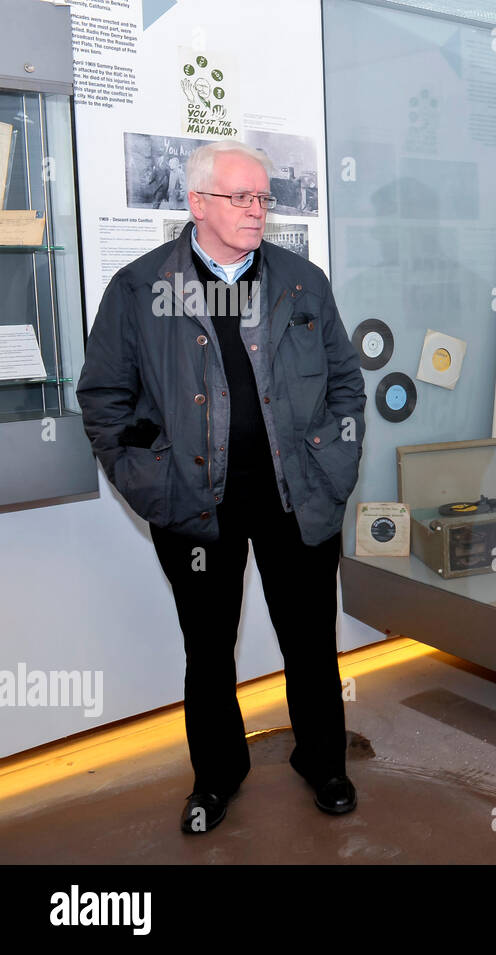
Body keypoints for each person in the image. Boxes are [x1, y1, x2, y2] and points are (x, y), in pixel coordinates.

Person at [77, 140, 366, 834]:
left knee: (310, 640)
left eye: (264, 197)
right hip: (196, 509)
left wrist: (333, 461)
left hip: (296, 500)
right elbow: (104, 399)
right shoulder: (141, 288)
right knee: (208, 651)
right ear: (197, 202)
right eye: (242, 197)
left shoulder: (302, 280)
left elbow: (346, 384)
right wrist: (153, 482)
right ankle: (216, 776)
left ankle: (324, 762)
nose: (258, 210)